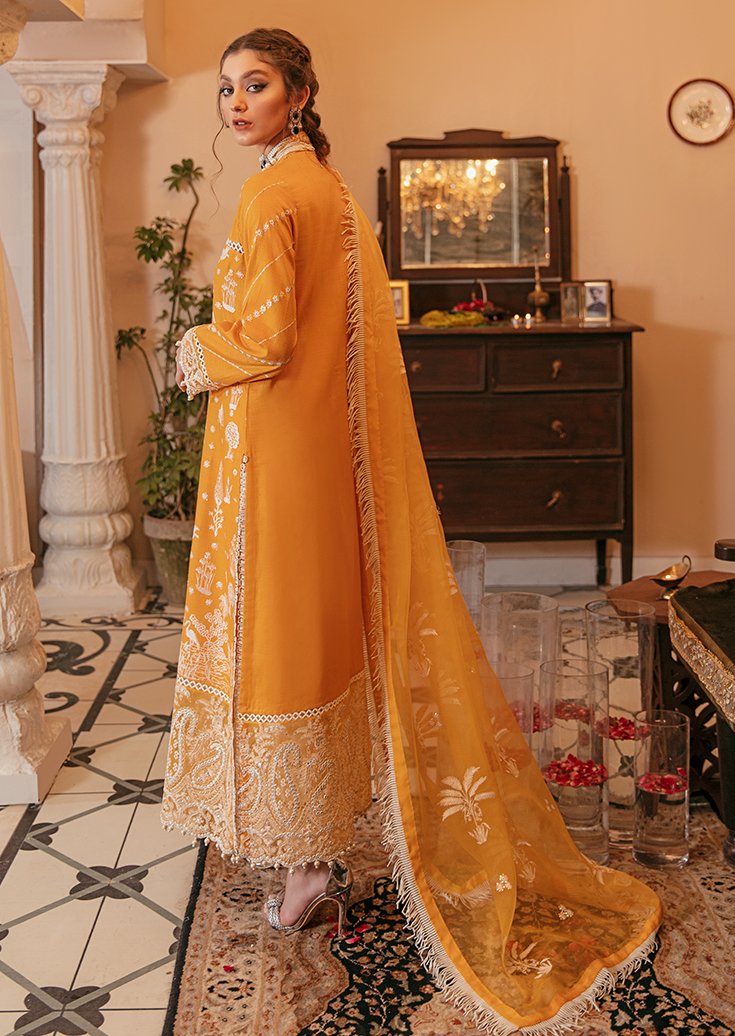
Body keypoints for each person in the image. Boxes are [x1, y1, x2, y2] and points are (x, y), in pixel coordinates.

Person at [161, 28, 662, 1034]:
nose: (235, 103)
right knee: (319, 637)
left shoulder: (272, 196)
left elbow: (264, 340)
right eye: (225, 88)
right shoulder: (336, 195)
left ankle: (304, 868)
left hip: (277, 461)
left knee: (281, 643)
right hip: (322, 459)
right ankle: (314, 852)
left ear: (299, 94)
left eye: (254, 85)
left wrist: (192, 349)